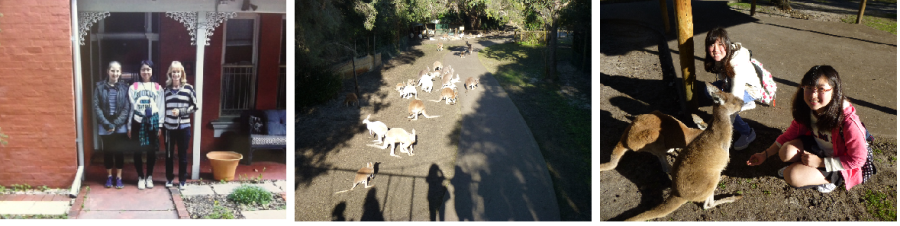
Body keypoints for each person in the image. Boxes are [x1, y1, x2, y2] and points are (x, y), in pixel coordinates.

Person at [746, 65, 869, 193]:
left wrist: (821, 162)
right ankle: (808, 171)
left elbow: (858, 160)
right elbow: (788, 135)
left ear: (834, 91)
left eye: (821, 89)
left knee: (792, 176)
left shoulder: (848, 122)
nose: (813, 95)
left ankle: (831, 181)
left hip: (839, 162)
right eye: (809, 88)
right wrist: (765, 154)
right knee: (785, 152)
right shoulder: (808, 110)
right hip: (818, 148)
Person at [703, 27, 762, 150]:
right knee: (709, 92)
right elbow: (723, 75)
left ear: (727, 45)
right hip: (731, 83)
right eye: (712, 45)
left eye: (720, 44)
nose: (716, 50)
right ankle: (747, 104)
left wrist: (723, 122)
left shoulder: (737, 64)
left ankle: (748, 132)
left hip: (748, 89)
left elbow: (735, 98)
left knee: (725, 109)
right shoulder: (721, 56)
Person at [92, 61, 131, 189]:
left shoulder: (125, 88)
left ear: (120, 73)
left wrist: (116, 123)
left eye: (117, 71)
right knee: (108, 151)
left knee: (119, 152)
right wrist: (107, 123)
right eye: (112, 70)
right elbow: (96, 107)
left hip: (120, 125)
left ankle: (119, 178)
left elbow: (126, 108)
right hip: (105, 125)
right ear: (107, 71)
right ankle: (109, 177)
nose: (115, 73)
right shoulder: (99, 87)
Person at [128, 60, 164, 190]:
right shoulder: (134, 87)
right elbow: (131, 108)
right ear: (139, 71)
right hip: (138, 121)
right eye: (143, 69)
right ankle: (140, 177)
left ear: (152, 70)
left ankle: (149, 176)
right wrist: (129, 126)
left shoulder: (157, 88)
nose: (145, 72)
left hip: (152, 121)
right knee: (137, 150)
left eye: (148, 69)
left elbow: (161, 107)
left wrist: (159, 125)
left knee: (151, 150)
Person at [163, 61, 198, 189]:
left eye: (178, 72)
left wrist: (181, 112)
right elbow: (163, 108)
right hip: (169, 128)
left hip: (184, 127)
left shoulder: (188, 88)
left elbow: (195, 106)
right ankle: (169, 178)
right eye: (173, 72)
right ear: (170, 74)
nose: (175, 74)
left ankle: (182, 180)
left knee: (183, 154)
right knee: (169, 155)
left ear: (181, 73)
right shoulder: (165, 90)